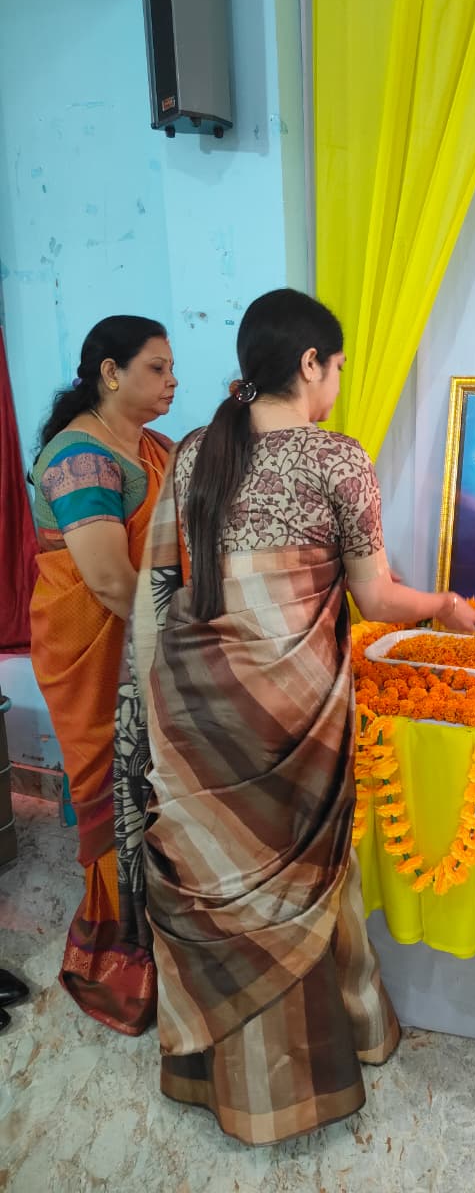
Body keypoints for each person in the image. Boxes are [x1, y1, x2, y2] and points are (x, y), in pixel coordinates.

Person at [132, 287, 475, 1146]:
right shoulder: (338, 458)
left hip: (196, 705)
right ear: (311, 364)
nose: (338, 384)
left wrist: (154, 705)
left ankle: (210, 1073)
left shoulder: (194, 450)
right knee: (307, 879)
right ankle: (338, 1041)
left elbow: (163, 586)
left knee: (218, 876)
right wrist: (443, 606)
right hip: (292, 713)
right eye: (338, 368)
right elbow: (376, 597)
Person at [29, 316, 176, 1036]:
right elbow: (114, 583)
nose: (172, 382)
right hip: (94, 651)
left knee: (159, 792)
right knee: (111, 794)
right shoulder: (79, 459)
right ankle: (119, 953)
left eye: (172, 369)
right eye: (157, 368)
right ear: (111, 373)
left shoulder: (155, 448)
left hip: (148, 642)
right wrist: (192, 639)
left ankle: (170, 942)